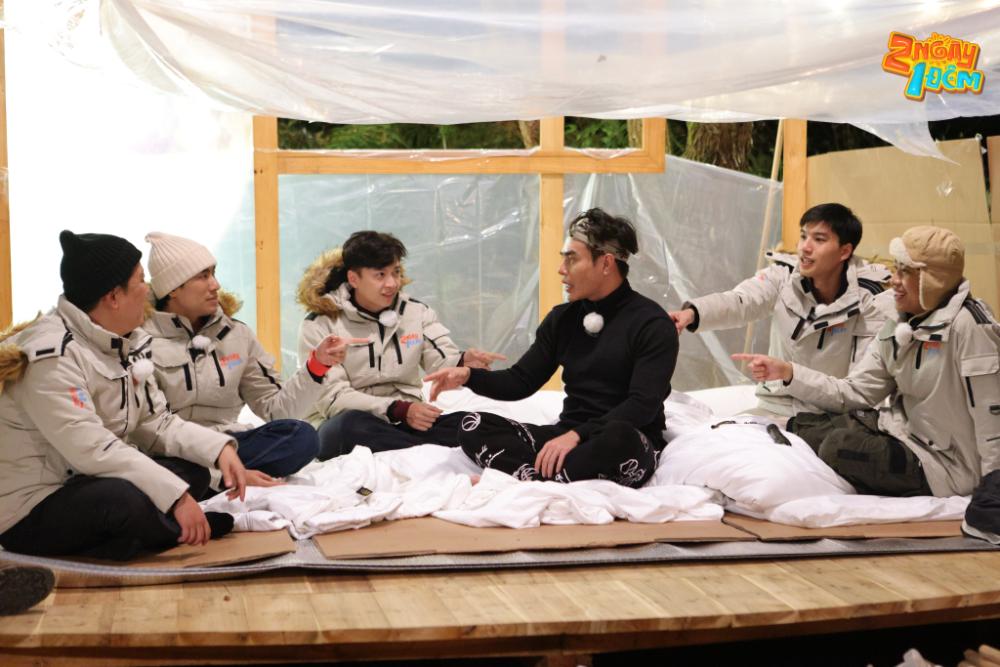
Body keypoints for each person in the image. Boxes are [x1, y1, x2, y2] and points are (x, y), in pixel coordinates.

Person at [0, 231, 247, 561]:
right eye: (141, 280)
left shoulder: (124, 340)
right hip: (34, 506)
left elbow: (155, 422)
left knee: (195, 472)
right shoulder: (52, 356)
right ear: (114, 297)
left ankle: (131, 538)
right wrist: (176, 498)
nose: (148, 289)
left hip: (88, 481)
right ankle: (167, 531)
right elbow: (93, 449)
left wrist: (218, 450)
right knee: (123, 500)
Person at [734, 226, 1000, 497]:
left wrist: (993, 490)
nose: (894, 281)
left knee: (839, 447)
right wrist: (789, 372)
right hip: (902, 432)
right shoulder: (900, 322)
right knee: (805, 426)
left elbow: (993, 420)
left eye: (905, 272)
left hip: (945, 466)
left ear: (934, 280)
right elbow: (855, 392)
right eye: (896, 269)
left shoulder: (970, 327)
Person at [424, 208, 678, 487]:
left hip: (625, 441)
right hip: (565, 436)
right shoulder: (562, 319)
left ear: (606, 263)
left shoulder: (652, 324)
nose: (561, 269)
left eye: (572, 259)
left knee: (618, 438)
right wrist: (469, 376)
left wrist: (577, 436)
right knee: (472, 424)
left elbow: (642, 405)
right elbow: (520, 381)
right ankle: (546, 477)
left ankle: (523, 476)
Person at [143, 232, 358, 483]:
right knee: (165, 471)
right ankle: (214, 479)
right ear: (172, 289)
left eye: (213, 273)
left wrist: (317, 366)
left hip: (229, 444)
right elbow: (150, 428)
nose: (215, 285)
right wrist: (226, 474)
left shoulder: (237, 334)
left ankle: (207, 480)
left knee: (302, 437)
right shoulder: (140, 340)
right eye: (203, 276)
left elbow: (276, 410)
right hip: (172, 451)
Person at [669, 203, 893, 417]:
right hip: (774, 408)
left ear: (844, 251)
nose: (805, 247)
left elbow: (857, 392)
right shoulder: (783, 276)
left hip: (831, 419)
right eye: (803, 236)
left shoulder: (871, 301)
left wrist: (790, 373)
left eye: (819, 239)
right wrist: (693, 313)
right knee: (715, 436)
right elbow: (741, 301)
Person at [297, 231, 504, 460]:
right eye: (380, 275)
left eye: (396, 272)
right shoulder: (321, 324)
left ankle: (416, 447)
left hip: (408, 418)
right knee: (349, 427)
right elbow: (333, 398)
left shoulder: (416, 312)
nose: (392, 283)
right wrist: (397, 409)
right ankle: (427, 451)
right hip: (345, 420)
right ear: (354, 279)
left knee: (475, 423)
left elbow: (440, 359)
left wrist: (463, 362)